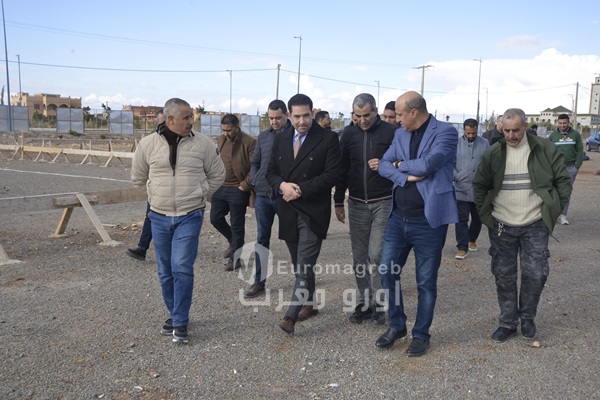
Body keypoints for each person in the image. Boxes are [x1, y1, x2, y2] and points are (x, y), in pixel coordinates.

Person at [131, 98, 225, 344]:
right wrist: (155, 194)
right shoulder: (148, 145)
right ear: (170, 119)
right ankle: (174, 314)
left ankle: (180, 321)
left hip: (190, 215)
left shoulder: (203, 143)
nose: (191, 121)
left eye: (191, 116)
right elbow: (138, 178)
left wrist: (199, 192)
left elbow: (218, 174)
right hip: (158, 217)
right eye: (187, 117)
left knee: (181, 267)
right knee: (165, 271)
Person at [473, 108, 571, 342]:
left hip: (535, 223)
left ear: (525, 127)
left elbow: (563, 181)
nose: (511, 135)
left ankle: (527, 317)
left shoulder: (545, 149)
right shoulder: (493, 153)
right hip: (502, 225)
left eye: (516, 130)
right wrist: (487, 217)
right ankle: (507, 322)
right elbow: (480, 186)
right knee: (503, 275)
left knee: (535, 274)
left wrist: (551, 210)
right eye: (506, 130)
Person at [376, 91, 458, 357]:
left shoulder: (445, 133)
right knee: (387, 271)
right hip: (398, 218)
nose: (396, 119)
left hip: (428, 222)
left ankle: (421, 334)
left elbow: (429, 164)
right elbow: (383, 165)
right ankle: (397, 325)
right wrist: (406, 176)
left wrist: (400, 164)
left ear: (414, 112)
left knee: (425, 282)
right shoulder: (400, 134)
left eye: (399, 114)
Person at [266, 93, 341, 335]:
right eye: (297, 116)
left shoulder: (328, 138)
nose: (302, 121)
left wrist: (299, 190)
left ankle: (290, 315)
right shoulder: (281, 138)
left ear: (312, 113)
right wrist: (282, 185)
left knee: (305, 264)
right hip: (288, 210)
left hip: (313, 212)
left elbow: (332, 175)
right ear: (289, 115)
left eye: (306, 115)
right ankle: (309, 304)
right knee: (299, 264)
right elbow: (270, 172)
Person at [333, 93, 395, 325]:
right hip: (357, 202)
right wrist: (338, 201)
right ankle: (364, 303)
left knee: (377, 255)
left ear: (376, 111)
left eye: (366, 115)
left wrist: (386, 165)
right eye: (357, 116)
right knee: (359, 258)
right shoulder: (349, 135)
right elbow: (342, 169)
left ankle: (379, 305)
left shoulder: (391, 133)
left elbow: (401, 162)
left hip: (383, 201)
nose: (362, 120)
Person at [244, 100, 293, 298]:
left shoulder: (295, 135)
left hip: (286, 197)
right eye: (271, 118)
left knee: (293, 239)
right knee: (261, 239)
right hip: (263, 196)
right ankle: (259, 282)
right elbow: (255, 162)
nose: (274, 121)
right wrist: (255, 179)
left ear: (286, 115)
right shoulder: (263, 137)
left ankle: (304, 280)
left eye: (278, 118)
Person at [210, 114, 256, 271]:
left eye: (229, 130)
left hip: (238, 189)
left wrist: (244, 185)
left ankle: (235, 259)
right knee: (215, 218)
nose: (226, 133)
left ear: (237, 127)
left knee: (237, 225)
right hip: (220, 187)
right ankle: (233, 241)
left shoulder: (249, 142)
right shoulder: (221, 139)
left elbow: (255, 167)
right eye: (223, 130)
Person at [127, 109, 165, 261]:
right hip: (156, 189)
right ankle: (142, 248)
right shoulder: (150, 142)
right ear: (156, 121)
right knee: (151, 216)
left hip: (174, 190)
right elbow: (140, 171)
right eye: (161, 122)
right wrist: (150, 190)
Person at [453, 118, 489, 259]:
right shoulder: (456, 143)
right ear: (463, 130)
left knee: (477, 218)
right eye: (468, 133)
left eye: (473, 133)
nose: (470, 136)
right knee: (461, 220)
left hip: (479, 190)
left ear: (477, 130)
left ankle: (472, 239)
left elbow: (488, 163)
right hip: (461, 188)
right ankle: (462, 247)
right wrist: (456, 176)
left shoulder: (485, 143)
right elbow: (450, 163)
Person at [547, 114, 583, 225]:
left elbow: (580, 152)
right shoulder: (553, 136)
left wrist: (576, 167)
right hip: (556, 169)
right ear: (557, 123)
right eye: (560, 123)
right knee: (554, 192)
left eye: (564, 123)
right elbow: (548, 152)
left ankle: (563, 216)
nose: (562, 125)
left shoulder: (575, 135)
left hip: (570, 168)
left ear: (568, 122)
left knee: (566, 193)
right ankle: (554, 215)